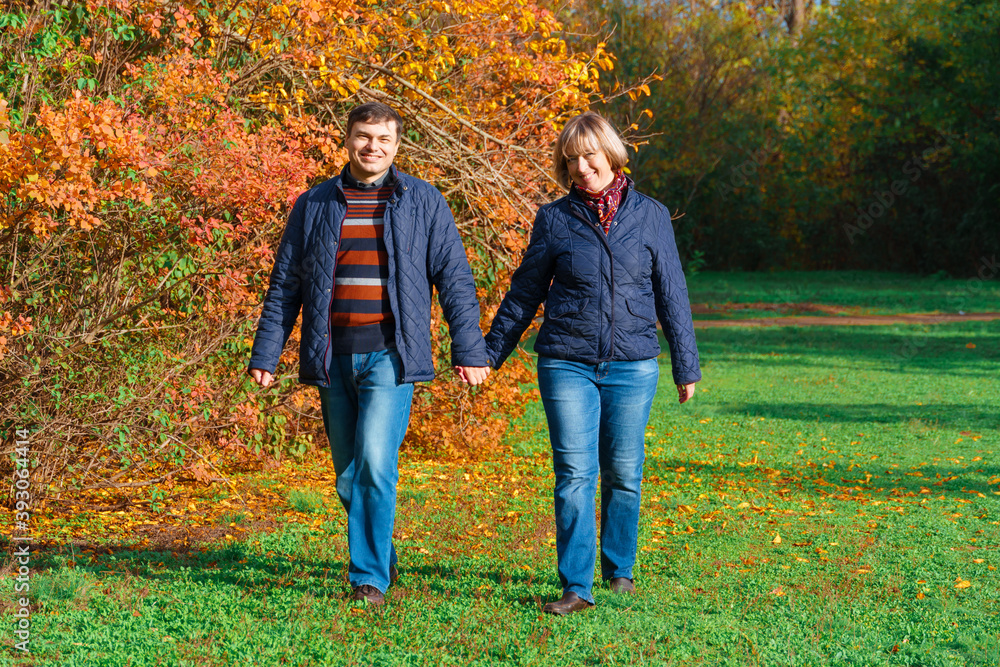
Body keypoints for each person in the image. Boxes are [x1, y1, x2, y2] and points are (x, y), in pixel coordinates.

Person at [247, 101, 491, 606]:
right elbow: (286, 283)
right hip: (332, 355)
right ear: (347, 139)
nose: (372, 147)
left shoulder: (424, 201)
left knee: (376, 464)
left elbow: (455, 280)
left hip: (391, 355)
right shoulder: (314, 204)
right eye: (363, 136)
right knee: (347, 477)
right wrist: (267, 353)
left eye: (383, 139)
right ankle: (381, 553)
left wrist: (469, 348)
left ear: (397, 145)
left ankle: (369, 580)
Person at [485, 111, 700, 615]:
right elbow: (525, 292)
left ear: (610, 153)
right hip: (567, 362)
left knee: (623, 470)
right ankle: (576, 587)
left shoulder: (651, 214)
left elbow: (672, 291)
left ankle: (619, 570)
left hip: (633, 363)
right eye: (571, 160)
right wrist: (490, 351)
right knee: (574, 472)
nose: (581, 168)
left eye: (589, 155)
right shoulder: (554, 218)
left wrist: (685, 365)